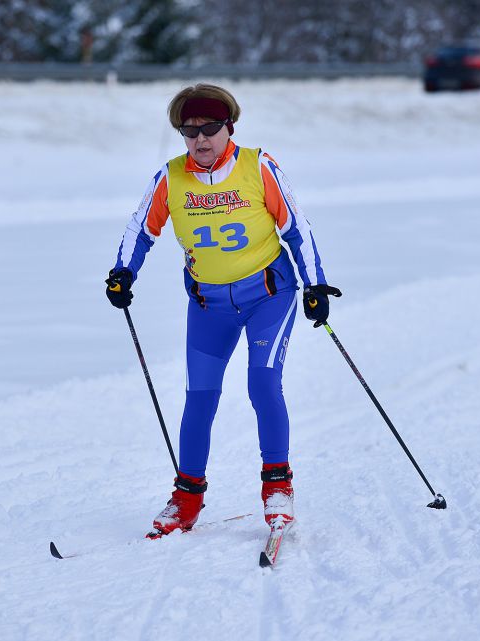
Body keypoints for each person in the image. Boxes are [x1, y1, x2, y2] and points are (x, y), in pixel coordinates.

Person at [105, 83, 340, 536]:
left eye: (210, 128)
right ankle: (186, 499)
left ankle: (277, 490)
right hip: (208, 306)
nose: (200, 140)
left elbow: (297, 228)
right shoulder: (171, 177)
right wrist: (123, 272)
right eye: (189, 132)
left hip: (269, 297)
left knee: (263, 384)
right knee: (199, 398)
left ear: (229, 127)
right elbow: (141, 229)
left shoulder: (258, 166)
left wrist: (315, 284)